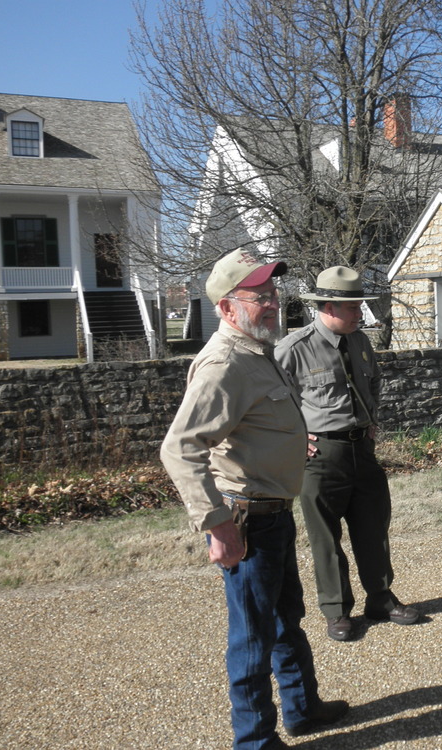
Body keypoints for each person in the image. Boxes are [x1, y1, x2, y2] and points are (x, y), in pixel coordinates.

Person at [161, 250, 347, 749]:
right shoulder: (225, 364)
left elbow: (257, 424)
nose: (272, 303)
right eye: (259, 296)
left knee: (287, 619)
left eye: (273, 293)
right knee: (252, 639)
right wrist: (217, 524)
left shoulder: (259, 350)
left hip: (274, 514)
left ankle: (302, 709)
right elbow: (180, 449)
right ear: (226, 308)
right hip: (247, 519)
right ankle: (255, 741)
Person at [275, 266, 419, 642]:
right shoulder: (294, 348)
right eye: (352, 306)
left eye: (359, 305)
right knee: (326, 536)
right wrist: (293, 436)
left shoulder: (360, 342)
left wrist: (370, 418)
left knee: (374, 527)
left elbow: (374, 382)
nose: (360, 313)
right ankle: (337, 610)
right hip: (321, 454)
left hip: (362, 449)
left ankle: (381, 599)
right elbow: (271, 401)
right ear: (327, 306)